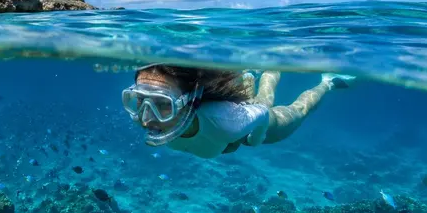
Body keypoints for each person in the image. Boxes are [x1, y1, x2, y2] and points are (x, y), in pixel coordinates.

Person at [121, 65, 355, 158]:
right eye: (140, 101)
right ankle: (248, 75)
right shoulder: (163, 121)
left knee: (287, 108)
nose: (146, 117)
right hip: (229, 130)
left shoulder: (228, 122)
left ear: (190, 100)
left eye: (162, 104)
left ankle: (327, 82)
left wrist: (256, 138)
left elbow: (261, 113)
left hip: (247, 126)